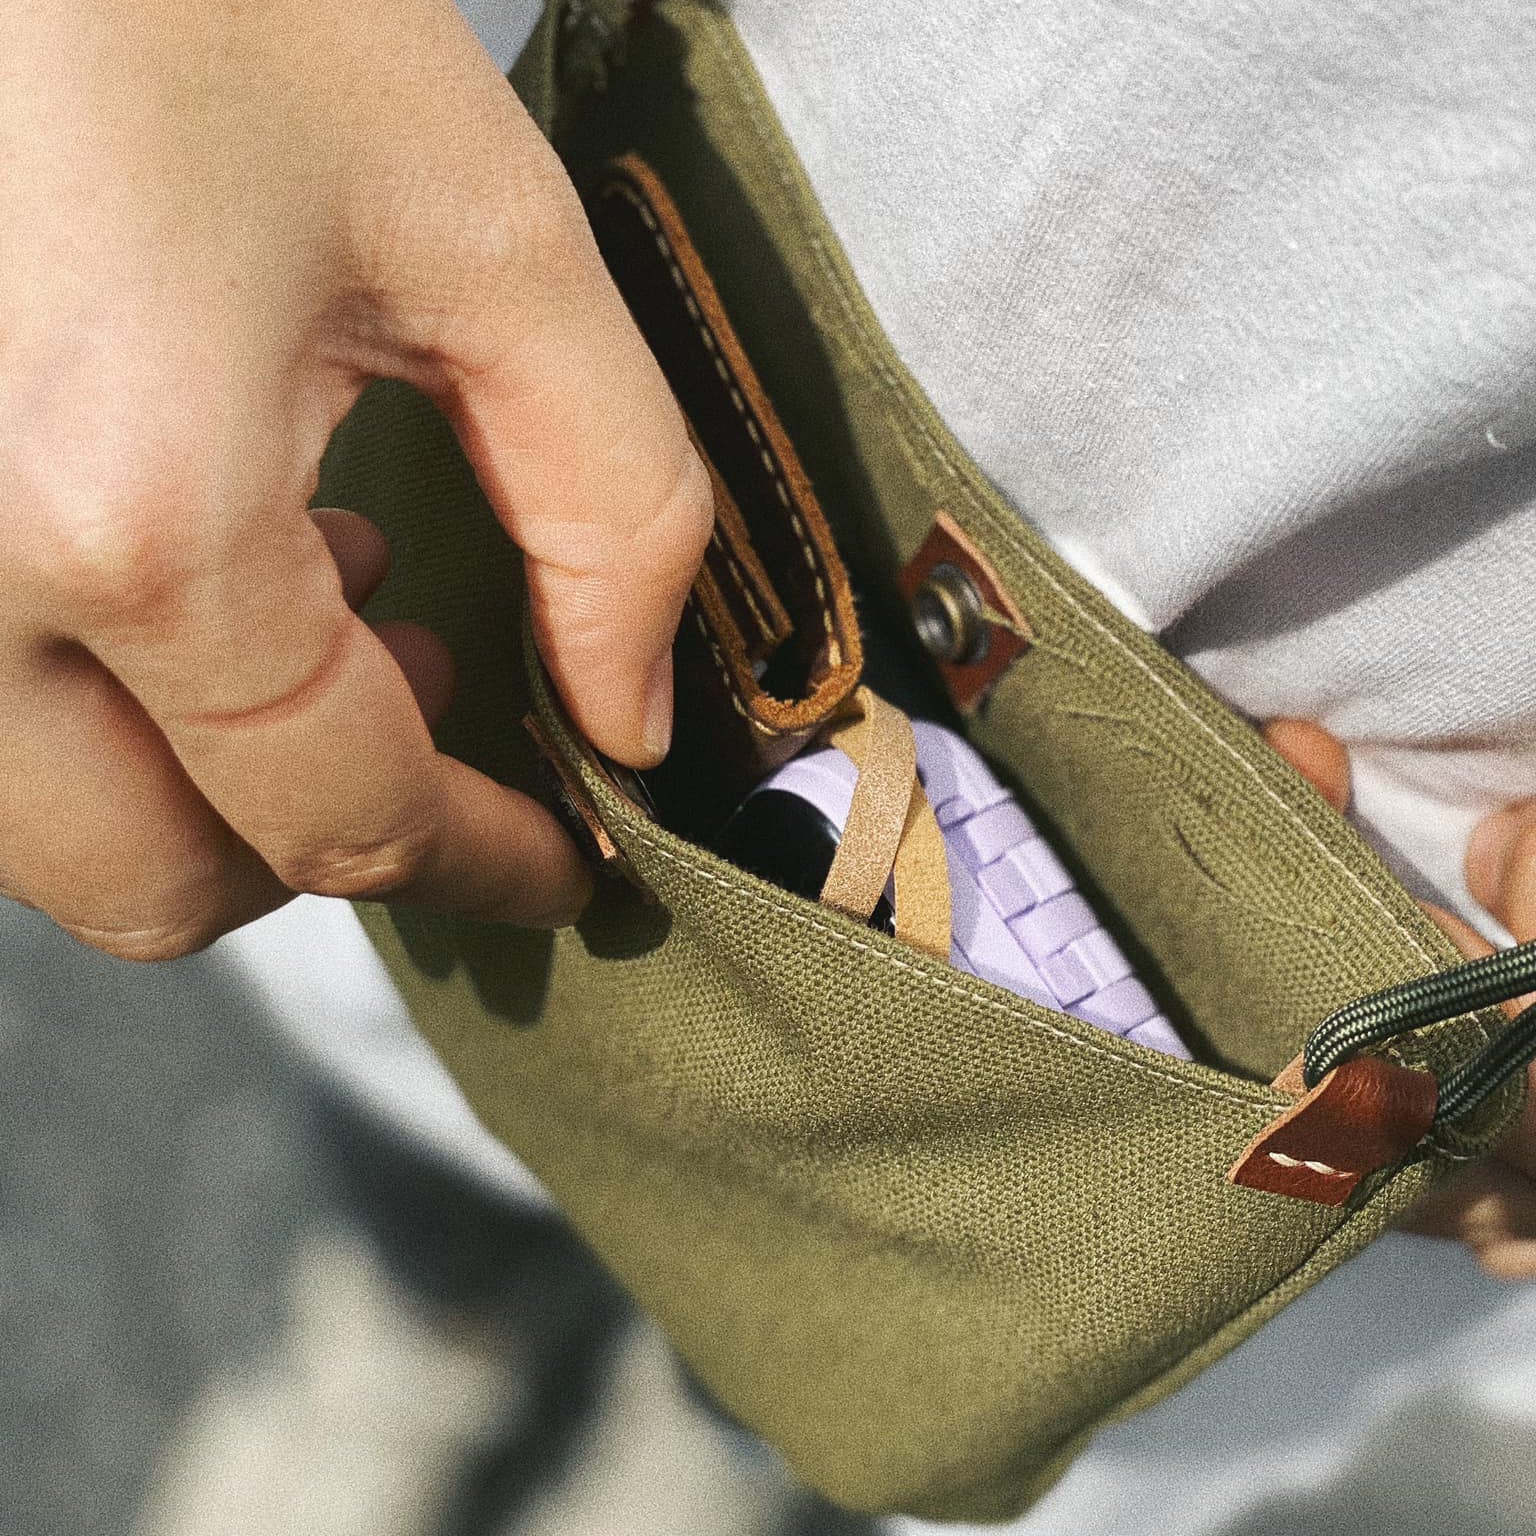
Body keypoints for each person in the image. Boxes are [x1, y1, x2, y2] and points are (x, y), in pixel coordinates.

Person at [5, 3, 1536, 1527]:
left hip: (1384, 977)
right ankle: (426, 1326)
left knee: (834, 1353)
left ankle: (702, 1451)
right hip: (648, 281)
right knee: (428, 1049)